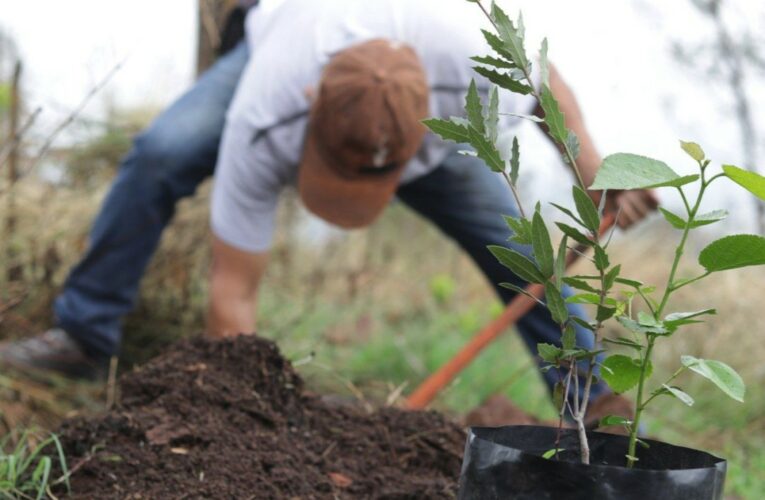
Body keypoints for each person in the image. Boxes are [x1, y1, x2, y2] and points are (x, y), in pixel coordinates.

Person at [0, 0, 656, 417]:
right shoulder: (267, 110)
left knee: (523, 253)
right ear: (311, 104)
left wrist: (591, 165)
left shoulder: (469, 55)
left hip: (421, 112)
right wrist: (241, 419)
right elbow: (233, 290)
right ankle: (86, 333)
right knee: (161, 153)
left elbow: (548, 83)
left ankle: (590, 404)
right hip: (280, 35)